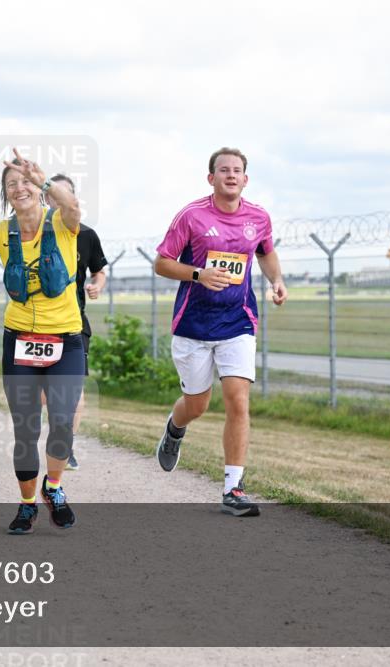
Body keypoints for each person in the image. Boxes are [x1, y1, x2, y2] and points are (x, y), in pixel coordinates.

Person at [0, 149, 83, 535]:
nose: (19, 188)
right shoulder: (0, 232)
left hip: (66, 338)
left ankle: (53, 489)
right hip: (20, 340)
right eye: (12, 184)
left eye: (26, 182)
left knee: (61, 423)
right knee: (26, 428)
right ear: (6, 194)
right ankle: (27, 504)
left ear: (39, 188)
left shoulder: (62, 222)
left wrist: (43, 179)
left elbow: (73, 204)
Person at [153, 147, 287, 517]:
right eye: (223, 170)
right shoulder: (191, 216)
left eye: (237, 170)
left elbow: (265, 252)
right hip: (194, 324)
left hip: (237, 321)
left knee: (237, 399)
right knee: (197, 404)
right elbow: (162, 263)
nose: (231, 175)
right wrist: (198, 274)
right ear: (210, 177)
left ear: (245, 179)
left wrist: (276, 280)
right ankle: (175, 428)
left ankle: (233, 488)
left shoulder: (258, 217)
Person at [45, 174, 108, 471]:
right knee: (46, 395)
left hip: (74, 322)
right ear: (45, 198)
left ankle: (64, 446)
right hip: (38, 324)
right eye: (53, 194)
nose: (59, 200)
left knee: (74, 391)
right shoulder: (33, 232)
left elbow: (100, 270)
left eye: (65, 195)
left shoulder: (87, 235)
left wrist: (97, 285)